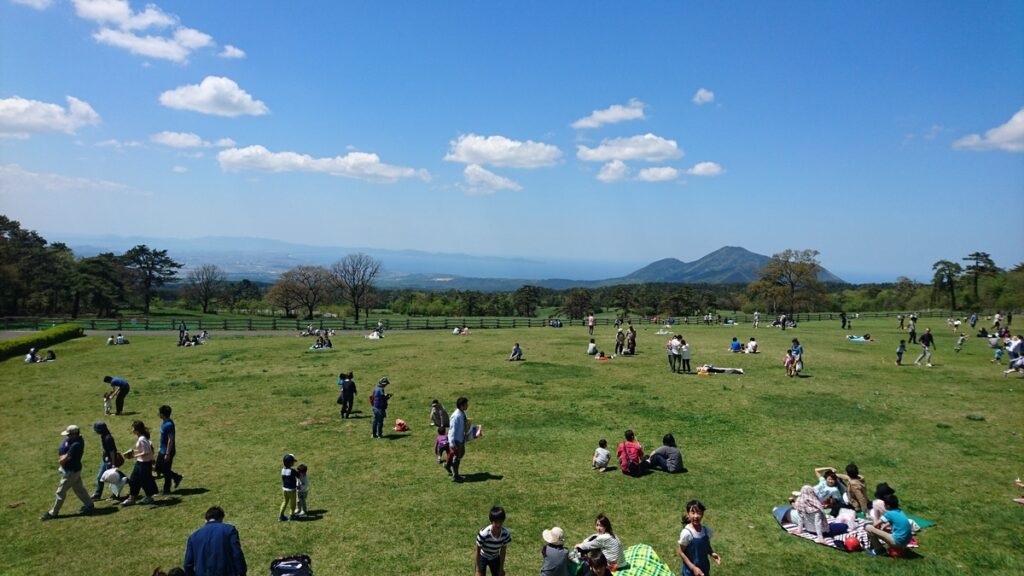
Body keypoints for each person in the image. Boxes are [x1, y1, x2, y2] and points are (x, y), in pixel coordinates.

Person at [40, 425, 94, 520]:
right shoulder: (76, 440)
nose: (67, 437)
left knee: (60, 492)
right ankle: (89, 505)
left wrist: (62, 458)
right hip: (75, 469)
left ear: (74, 434)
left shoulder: (76, 444)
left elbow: (63, 460)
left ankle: (53, 513)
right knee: (79, 488)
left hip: (71, 472)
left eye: (69, 435)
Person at [183, 506, 247, 576]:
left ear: (206, 519)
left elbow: (187, 565)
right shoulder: (229, 530)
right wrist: (242, 572)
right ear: (221, 518)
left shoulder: (193, 537)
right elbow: (237, 554)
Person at [678, 500, 721, 576]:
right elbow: (681, 552)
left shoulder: (706, 531)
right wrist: (693, 568)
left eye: (699, 512)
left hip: (704, 569)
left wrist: (712, 552)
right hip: (690, 572)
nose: (696, 516)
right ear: (688, 514)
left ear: (702, 514)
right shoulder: (686, 533)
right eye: (693, 512)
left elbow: (706, 545)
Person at [121, 420, 159, 506]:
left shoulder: (142, 439)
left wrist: (134, 456)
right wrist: (132, 451)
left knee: (145, 481)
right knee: (133, 480)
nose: (132, 429)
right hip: (140, 463)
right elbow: (143, 450)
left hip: (144, 464)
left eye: (133, 428)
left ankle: (149, 498)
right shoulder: (141, 438)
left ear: (137, 430)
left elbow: (147, 451)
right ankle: (132, 498)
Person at [475, 506, 511, 576]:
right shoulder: (484, 533)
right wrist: (478, 570)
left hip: (495, 557)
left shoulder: (505, 534)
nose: (498, 525)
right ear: (491, 521)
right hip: (482, 557)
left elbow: (503, 551)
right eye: (496, 522)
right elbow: (477, 551)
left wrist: (501, 568)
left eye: (500, 522)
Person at [90, 421, 120, 501]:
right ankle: (97, 494)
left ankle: (115, 494)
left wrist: (113, 464)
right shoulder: (104, 436)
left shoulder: (108, 438)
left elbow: (112, 452)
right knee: (101, 477)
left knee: (112, 478)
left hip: (109, 461)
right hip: (106, 460)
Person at [157, 405, 183, 495]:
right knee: (159, 468)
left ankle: (166, 489)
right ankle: (176, 477)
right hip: (162, 450)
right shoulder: (165, 422)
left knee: (166, 470)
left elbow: (170, 439)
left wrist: (167, 453)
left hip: (167, 451)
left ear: (162, 414)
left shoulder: (169, 425)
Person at [446, 397, 469, 482]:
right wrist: (452, 443)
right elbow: (452, 430)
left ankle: (448, 465)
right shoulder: (456, 416)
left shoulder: (462, 413)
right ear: (461, 405)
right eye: (466, 404)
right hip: (456, 440)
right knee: (457, 457)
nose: (467, 406)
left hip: (460, 438)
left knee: (461, 453)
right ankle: (455, 476)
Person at [279, 453, 299, 521]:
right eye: (293, 462)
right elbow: (298, 475)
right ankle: (292, 515)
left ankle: (281, 516)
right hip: (292, 490)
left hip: (284, 489)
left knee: (284, 502)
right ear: (290, 463)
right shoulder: (292, 471)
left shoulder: (282, 470)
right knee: (293, 503)